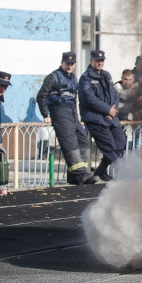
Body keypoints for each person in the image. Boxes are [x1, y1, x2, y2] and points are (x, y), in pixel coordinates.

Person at [36, 52, 99, 186]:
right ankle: (82, 176)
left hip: (72, 113)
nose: (70, 66)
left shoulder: (73, 78)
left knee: (84, 141)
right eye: (67, 63)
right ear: (62, 63)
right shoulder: (53, 77)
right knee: (70, 144)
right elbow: (41, 96)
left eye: (72, 64)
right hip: (59, 112)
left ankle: (75, 176)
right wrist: (45, 115)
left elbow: (74, 98)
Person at [78, 50, 126, 181]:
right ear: (91, 61)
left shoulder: (106, 75)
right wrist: (107, 110)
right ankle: (124, 175)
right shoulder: (85, 78)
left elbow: (115, 94)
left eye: (102, 61)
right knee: (109, 147)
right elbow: (90, 100)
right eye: (97, 60)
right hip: (96, 119)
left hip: (111, 117)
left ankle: (100, 170)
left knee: (121, 141)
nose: (100, 63)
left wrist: (113, 109)